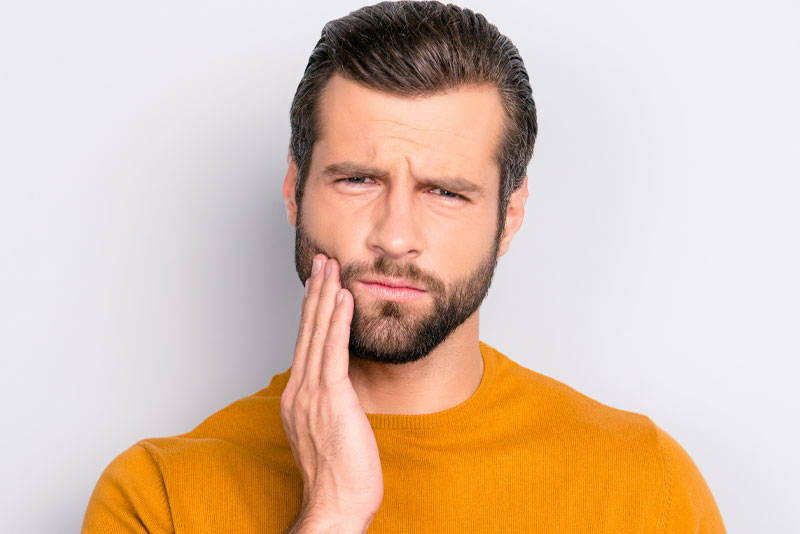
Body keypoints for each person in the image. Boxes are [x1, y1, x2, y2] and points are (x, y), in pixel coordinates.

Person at [82, 2, 726, 532]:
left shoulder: (645, 483)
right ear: (293, 188)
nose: (396, 236)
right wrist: (330, 513)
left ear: (511, 215)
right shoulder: (158, 496)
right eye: (359, 179)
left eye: (446, 192)